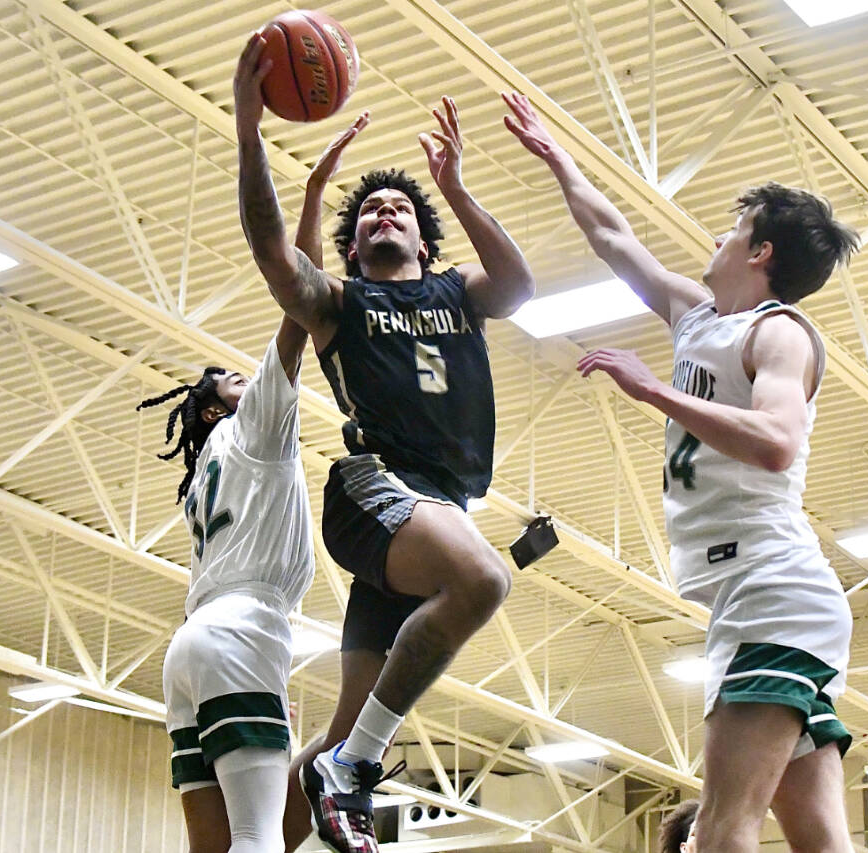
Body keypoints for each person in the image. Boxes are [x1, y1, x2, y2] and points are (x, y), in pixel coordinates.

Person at [504, 92, 859, 853]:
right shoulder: (700, 317)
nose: (721, 238)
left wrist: (652, 388)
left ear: (759, 251)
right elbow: (612, 237)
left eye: (735, 229)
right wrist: (559, 159)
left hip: (772, 591)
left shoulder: (781, 334)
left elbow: (774, 441)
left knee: (721, 827)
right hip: (763, 597)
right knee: (820, 840)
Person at [233, 34, 535, 853]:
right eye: (369, 213)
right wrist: (248, 129)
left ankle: (281, 826)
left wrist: (458, 189)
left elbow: (519, 284)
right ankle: (359, 769)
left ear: (427, 242)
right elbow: (273, 255)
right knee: (484, 578)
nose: (383, 212)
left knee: (332, 734)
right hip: (376, 490)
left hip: (438, 504)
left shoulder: (460, 291)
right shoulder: (341, 305)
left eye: (399, 208)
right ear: (355, 247)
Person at [137, 297, 314, 848]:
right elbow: (297, 317)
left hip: (191, 644)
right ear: (214, 410)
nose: (253, 382)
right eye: (239, 382)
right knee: (257, 835)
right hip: (243, 628)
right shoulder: (252, 430)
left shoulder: (201, 478)